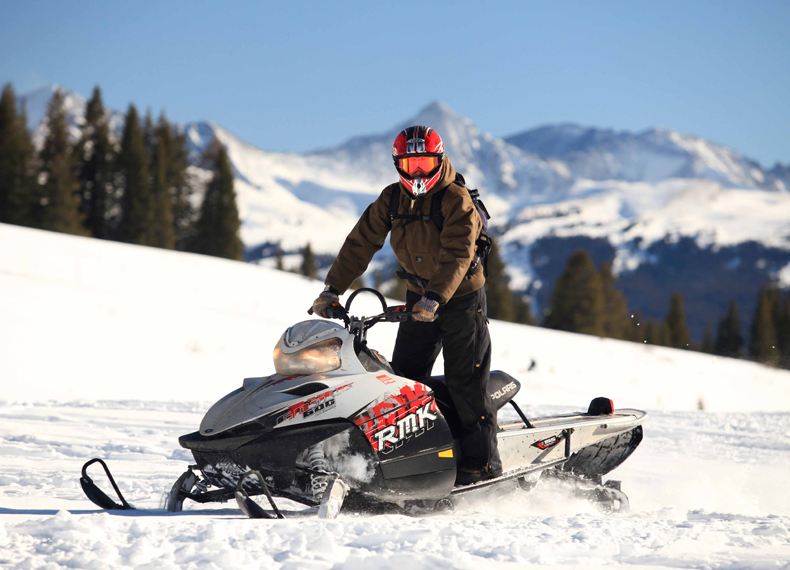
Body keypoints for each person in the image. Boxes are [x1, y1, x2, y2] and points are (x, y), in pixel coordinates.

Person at [311, 125, 501, 485]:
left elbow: (458, 254)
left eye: (425, 164)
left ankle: (482, 468)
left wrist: (436, 297)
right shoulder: (392, 199)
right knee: (404, 382)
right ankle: (411, 463)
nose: (417, 173)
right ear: (398, 164)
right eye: (410, 165)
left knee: (466, 382)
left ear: (439, 160)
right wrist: (332, 288)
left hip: (460, 299)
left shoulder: (455, 199)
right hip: (419, 298)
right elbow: (361, 242)